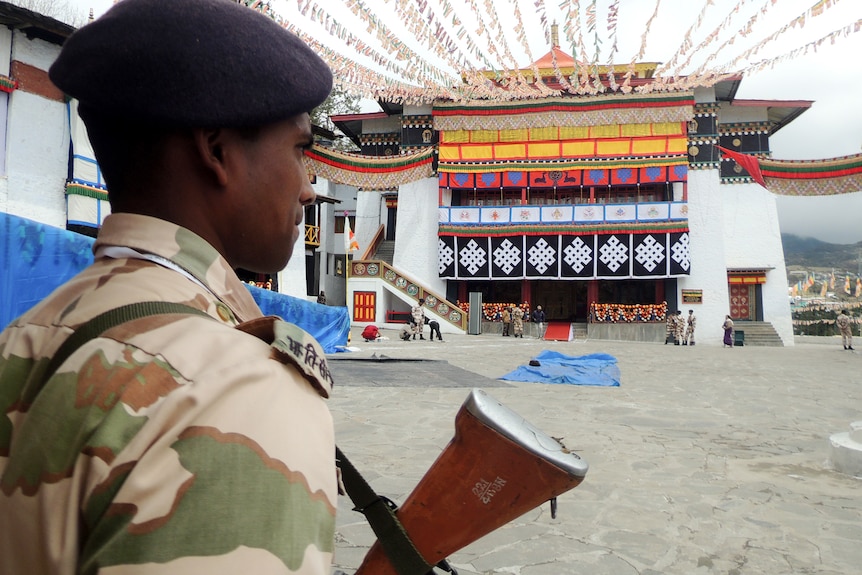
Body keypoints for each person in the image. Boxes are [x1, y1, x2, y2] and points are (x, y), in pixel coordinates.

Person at [0, 1, 337, 573]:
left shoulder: (26, 338)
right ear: (216, 150)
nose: (309, 188)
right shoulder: (234, 390)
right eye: (300, 150)